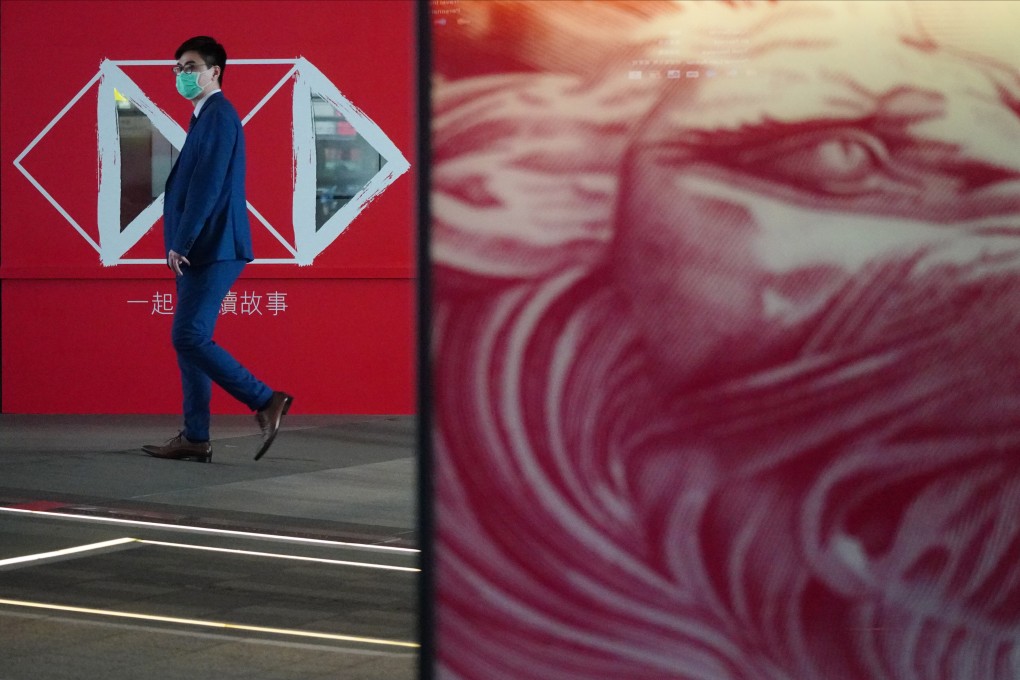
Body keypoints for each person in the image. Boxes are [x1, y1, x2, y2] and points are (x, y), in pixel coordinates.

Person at [143, 36, 292, 463]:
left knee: (188, 335)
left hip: (212, 247)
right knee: (191, 338)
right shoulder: (204, 116)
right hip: (204, 247)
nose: (182, 75)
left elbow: (207, 187)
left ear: (215, 72)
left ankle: (265, 400)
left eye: (190, 67)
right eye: (178, 68)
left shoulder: (219, 116)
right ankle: (195, 436)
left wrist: (181, 242)